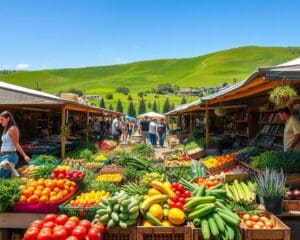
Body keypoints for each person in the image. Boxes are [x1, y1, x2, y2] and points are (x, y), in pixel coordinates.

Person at [0, 111, 30, 178]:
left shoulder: (13, 129)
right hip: (2, 156)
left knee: (1, 176)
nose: (0, 121)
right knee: (6, 179)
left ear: (8, 118)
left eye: (2, 119)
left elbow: (16, 144)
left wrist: (25, 156)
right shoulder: (5, 129)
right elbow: (5, 144)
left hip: (9, 157)